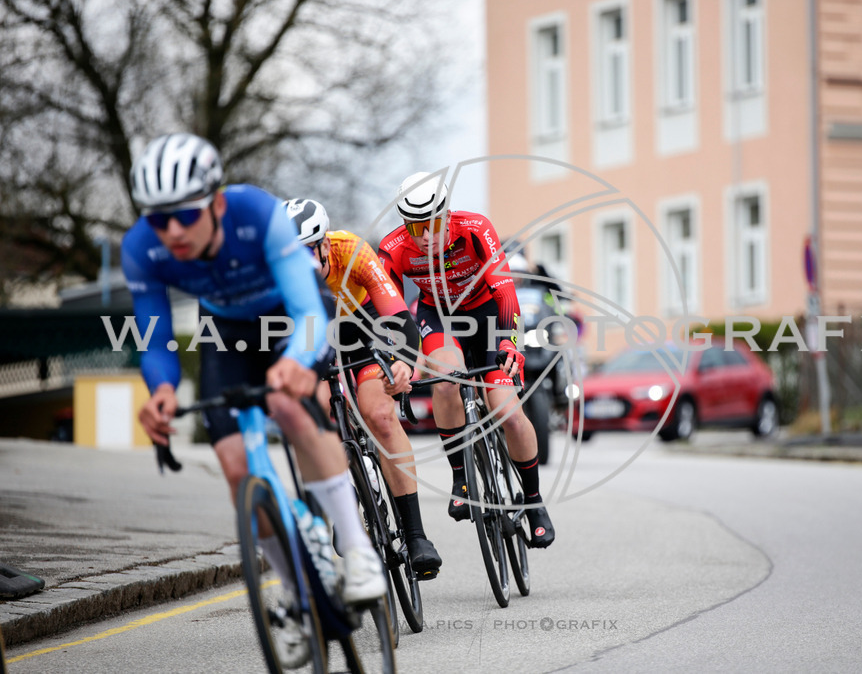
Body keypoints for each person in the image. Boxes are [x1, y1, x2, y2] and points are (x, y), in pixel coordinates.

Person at [122, 133, 385, 668]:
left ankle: (357, 551)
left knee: (291, 406)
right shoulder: (142, 249)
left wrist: (298, 358)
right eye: (157, 218)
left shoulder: (256, 214)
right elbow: (153, 337)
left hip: (289, 314)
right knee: (234, 462)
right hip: (227, 328)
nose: (171, 230)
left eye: (184, 214)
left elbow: (309, 307)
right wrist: (163, 392)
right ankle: (292, 593)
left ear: (216, 203)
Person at [377, 172, 555, 548]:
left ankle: (534, 501)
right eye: (415, 227)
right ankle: (461, 476)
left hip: (488, 314)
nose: (425, 236)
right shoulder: (393, 248)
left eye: (434, 224)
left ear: (447, 213)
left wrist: (508, 343)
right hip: (439, 317)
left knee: (507, 411)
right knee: (444, 380)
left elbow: (505, 291)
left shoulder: (475, 228)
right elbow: (387, 312)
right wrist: (398, 358)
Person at [284, 197, 442, 578]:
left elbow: (398, 315)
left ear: (324, 245)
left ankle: (416, 535)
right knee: (315, 410)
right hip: (313, 330)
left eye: (309, 253)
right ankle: (344, 491)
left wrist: (404, 359)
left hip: (364, 326)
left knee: (380, 415)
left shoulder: (350, 250)